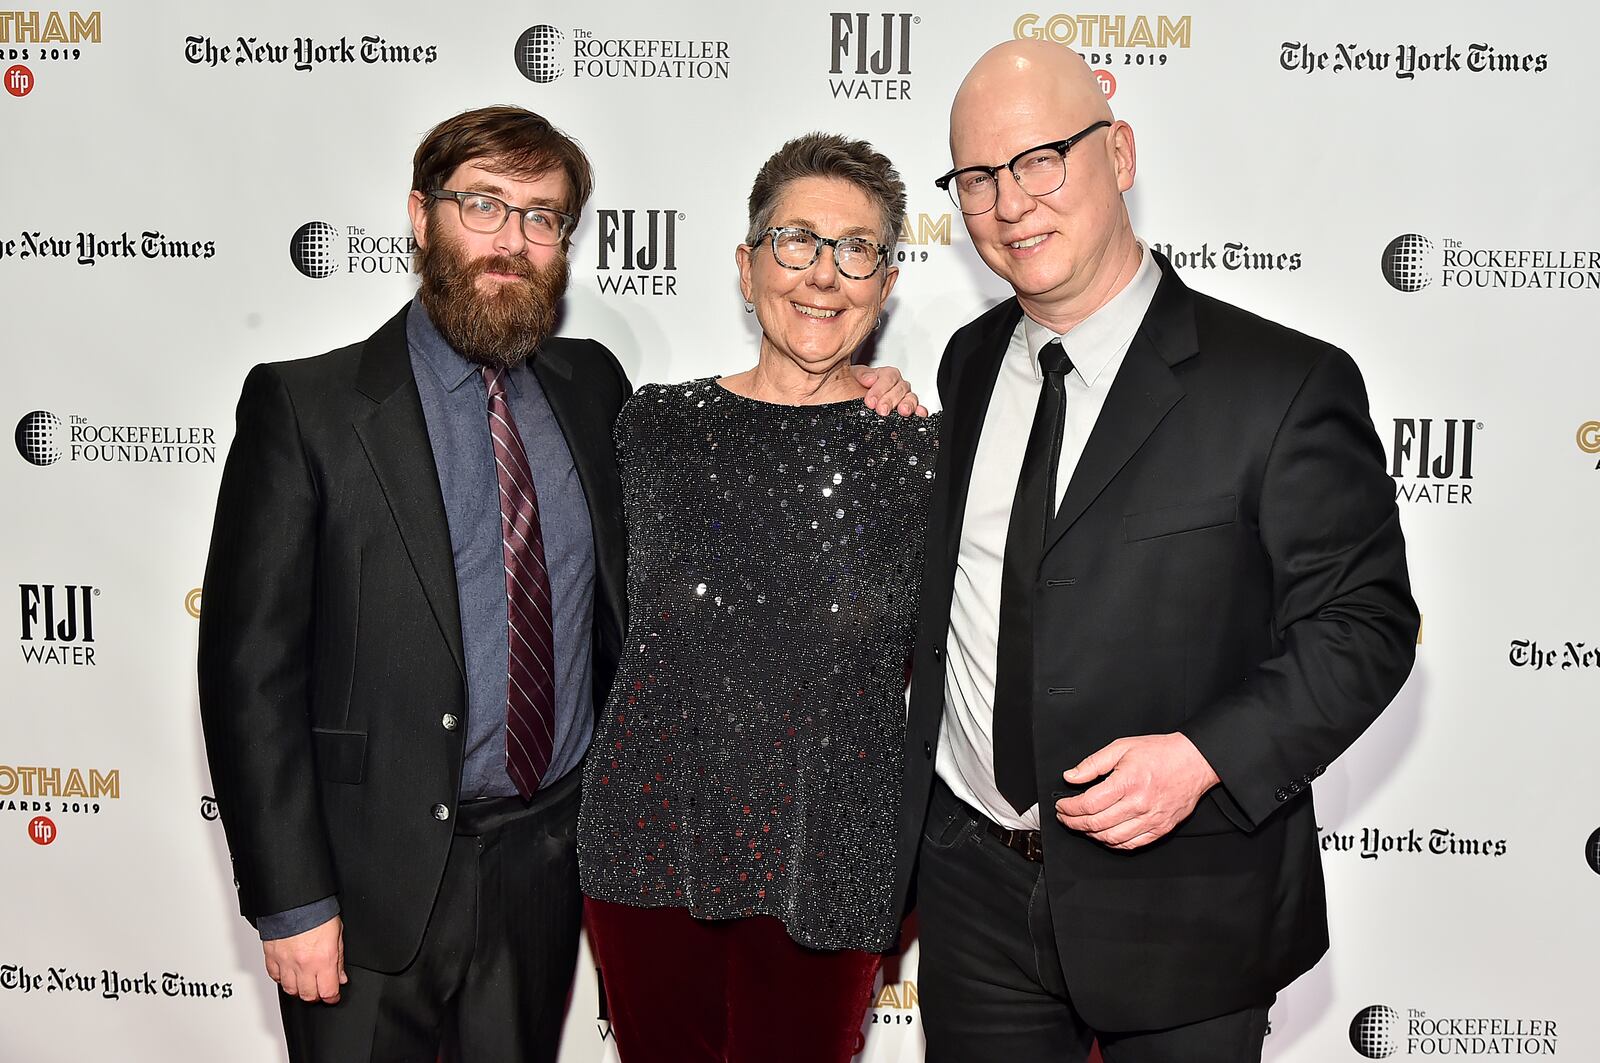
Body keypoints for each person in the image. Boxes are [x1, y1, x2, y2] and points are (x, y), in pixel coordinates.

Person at [196, 106, 918, 1063]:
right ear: (421, 217)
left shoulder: (597, 392)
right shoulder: (307, 406)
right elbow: (248, 673)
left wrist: (876, 394)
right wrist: (292, 899)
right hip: (370, 889)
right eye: (483, 206)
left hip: (548, 871)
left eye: (542, 218)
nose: (513, 240)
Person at [892, 41, 1418, 1062]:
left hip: (1182, 900)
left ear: (1118, 153)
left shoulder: (1280, 385)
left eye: (1041, 158)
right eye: (977, 178)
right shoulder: (964, 362)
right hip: (969, 891)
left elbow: (1365, 626)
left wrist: (1205, 756)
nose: (1010, 203)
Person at [577, 133, 937, 1063]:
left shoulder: (923, 456)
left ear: (885, 282)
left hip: (835, 852)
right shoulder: (652, 428)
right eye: (795, 242)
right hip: (649, 844)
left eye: (855, 249)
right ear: (747, 267)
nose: (824, 274)